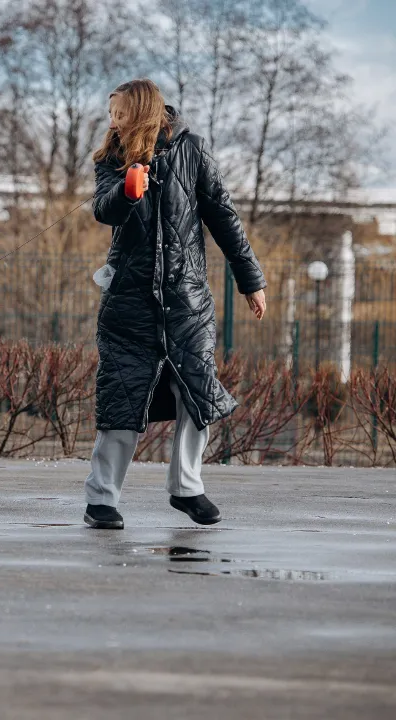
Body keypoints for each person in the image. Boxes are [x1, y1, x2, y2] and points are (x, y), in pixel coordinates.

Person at [84, 78, 267, 530]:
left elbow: (222, 215)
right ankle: (101, 501)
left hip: (187, 304)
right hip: (128, 306)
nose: (113, 121)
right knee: (121, 402)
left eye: (120, 113)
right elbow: (103, 210)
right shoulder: (111, 157)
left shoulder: (193, 149)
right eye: (111, 114)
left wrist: (251, 279)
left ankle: (187, 488)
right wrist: (128, 190)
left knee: (196, 396)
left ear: (143, 111)